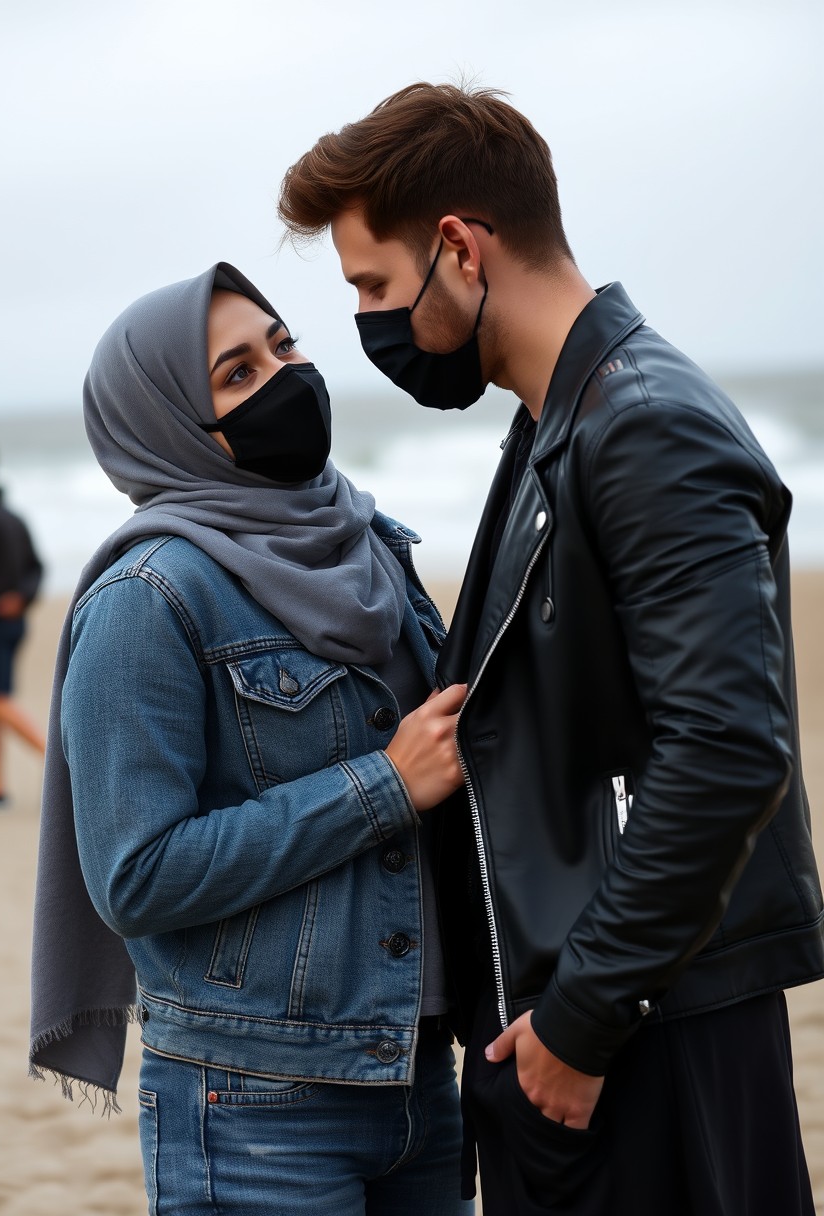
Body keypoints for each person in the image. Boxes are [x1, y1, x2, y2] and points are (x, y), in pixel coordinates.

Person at [277, 83, 824, 1215]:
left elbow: (728, 747)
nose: (370, 324)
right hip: (585, 1021)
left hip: (637, 1032)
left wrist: (579, 1020)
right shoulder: (554, 416)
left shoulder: (644, 424)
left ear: (459, 247)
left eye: (373, 287)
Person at [29, 261, 474, 1215]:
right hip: (253, 1102)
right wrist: (381, 786)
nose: (284, 377)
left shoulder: (367, 544)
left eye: (282, 344)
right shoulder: (147, 601)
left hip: (418, 1074)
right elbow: (136, 874)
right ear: (170, 426)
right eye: (236, 374)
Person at [0, 449, 45, 805]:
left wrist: (13, 599)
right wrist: (20, 599)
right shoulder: (13, 517)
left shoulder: (5, 518)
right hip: (13, 623)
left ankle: (69, 766)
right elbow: (37, 569)